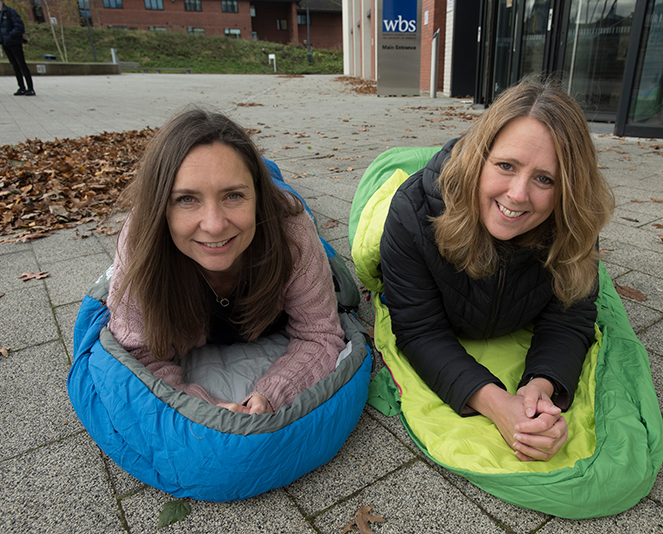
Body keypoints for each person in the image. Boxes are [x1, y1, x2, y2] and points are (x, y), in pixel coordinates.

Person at [379, 77, 615, 462]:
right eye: (506, 165)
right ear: (479, 158)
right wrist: (494, 402)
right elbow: (419, 328)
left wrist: (541, 385)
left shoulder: (574, 224)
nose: (518, 194)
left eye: (544, 179)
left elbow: (571, 317)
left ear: (568, 189)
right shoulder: (412, 212)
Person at [108, 109, 345, 415]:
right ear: (160, 207)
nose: (214, 225)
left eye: (233, 196)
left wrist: (274, 393)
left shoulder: (291, 228)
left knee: (283, 189)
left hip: (276, 200)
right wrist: (202, 407)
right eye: (186, 199)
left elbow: (321, 334)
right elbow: (134, 354)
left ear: (256, 198)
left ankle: (266, 175)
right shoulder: (141, 237)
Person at [0, 0, 35, 96]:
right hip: (4, 43)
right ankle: (21, 88)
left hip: (14, 42)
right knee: (14, 66)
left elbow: (19, 26)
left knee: (21, 64)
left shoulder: (10, 11)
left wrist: (9, 36)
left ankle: (30, 88)